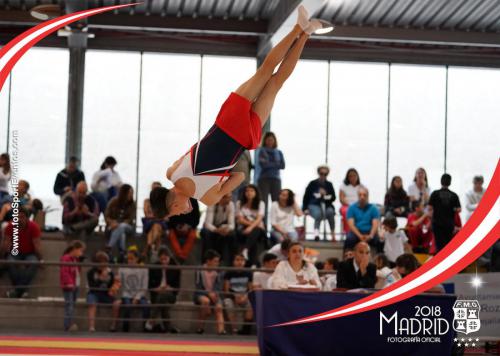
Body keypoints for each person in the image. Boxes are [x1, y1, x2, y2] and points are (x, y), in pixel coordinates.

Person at [149, 7, 330, 217]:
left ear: (173, 206)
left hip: (240, 139)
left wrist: (221, 175)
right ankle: (300, 28)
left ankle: (306, 33)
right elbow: (193, 151)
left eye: (176, 213)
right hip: (226, 123)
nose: (182, 213)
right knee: (266, 73)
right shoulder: (172, 172)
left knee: (275, 82)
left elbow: (241, 176)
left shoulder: (207, 197)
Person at [3, 206, 43, 298]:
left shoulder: (34, 227)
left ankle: (16, 292)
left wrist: (41, 259)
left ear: (27, 218)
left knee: (34, 263)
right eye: (17, 217)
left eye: (22, 217)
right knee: (10, 262)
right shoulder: (10, 226)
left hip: (30, 253)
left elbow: (37, 245)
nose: (19, 220)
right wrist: (2, 258)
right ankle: (21, 291)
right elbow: (5, 244)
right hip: (15, 252)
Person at [86, 251, 121, 332]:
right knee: (92, 303)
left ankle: (113, 326)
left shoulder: (110, 272)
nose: (105, 265)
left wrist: (116, 283)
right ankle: (91, 326)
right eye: (103, 262)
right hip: (94, 293)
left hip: (106, 294)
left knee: (117, 303)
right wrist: (101, 278)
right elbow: (92, 287)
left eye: (106, 262)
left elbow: (111, 286)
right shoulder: (91, 272)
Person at [148, 247, 181, 333]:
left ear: (169, 257)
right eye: (161, 260)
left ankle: (151, 319)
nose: (164, 262)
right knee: (163, 301)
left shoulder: (176, 268)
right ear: (159, 259)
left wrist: (170, 288)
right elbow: (150, 287)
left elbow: (177, 288)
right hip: (156, 294)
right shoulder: (154, 267)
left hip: (171, 295)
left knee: (163, 295)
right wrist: (157, 289)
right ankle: (168, 328)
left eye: (166, 259)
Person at [193, 249, 225, 335]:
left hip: (214, 294)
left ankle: (221, 330)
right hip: (201, 293)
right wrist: (208, 294)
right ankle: (200, 328)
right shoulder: (199, 270)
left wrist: (214, 294)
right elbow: (198, 287)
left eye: (218, 262)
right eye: (215, 261)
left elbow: (219, 286)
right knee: (205, 301)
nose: (217, 264)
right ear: (208, 261)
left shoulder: (219, 272)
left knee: (218, 307)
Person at [119, 249, 152, 332]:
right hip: (126, 294)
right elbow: (120, 284)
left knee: (146, 307)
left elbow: (144, 286)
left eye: (132, 258)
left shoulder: (143, 269)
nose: (129, 261)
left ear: (137, 259)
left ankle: (145, 329)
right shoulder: (122, 269)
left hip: (140, 294)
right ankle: (125, 330)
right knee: (127, 306)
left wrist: (137, 297)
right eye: (128, 258)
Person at [428, 174, 461, 252]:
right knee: (447, 246)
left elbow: (429, 208)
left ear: (441, 181)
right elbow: (459, 209)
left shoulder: (435, 193)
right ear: (450, 182)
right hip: (449, 224)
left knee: (439, 246)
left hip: (437, 223)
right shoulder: (454, 195)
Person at [235, 184, 267, 266]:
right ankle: (254, 264)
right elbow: (240, 219)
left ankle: (245, 249)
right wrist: (252, 226)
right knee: (254, 239)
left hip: (259, 230)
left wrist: (251, 227)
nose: (249, 193)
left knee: (256, 231)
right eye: (247, 191)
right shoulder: (239, 203)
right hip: (245, 228)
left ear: (256, 193)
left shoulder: (261, 203)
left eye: (252, 191)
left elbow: (259, 218)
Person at [303, 165, 336, 241]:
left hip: (326, 205)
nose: (323, 175)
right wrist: (305, 208)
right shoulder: (312, 183)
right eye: (322, 173)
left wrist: (325, 195)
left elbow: (333, 197)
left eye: (325, 174)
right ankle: (316, 234)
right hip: (313, 205)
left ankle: (332, 234)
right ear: (318, 173)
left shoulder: (329, 185)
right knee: (318, 213)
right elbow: (306, 197)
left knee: (331, 212)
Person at [201, 193, 235, 265]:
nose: (229, 199)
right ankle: (207, 259)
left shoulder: (231, 205)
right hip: (212, 229)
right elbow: (208, 223)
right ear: (221, 197)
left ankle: (226, 262)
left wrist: (226, 228)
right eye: (226, 197)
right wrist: (217, 230)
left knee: (232, 235)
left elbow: (232, 224)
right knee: (206, 233)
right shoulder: (212, 203)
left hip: (223, 229)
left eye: (230, 197)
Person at [223, 254, 253, 335]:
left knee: (251, 304)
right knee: (228, 303)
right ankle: (234, 330)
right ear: (233, 262)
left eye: (242, 260)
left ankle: (245, 330)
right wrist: (234, 296)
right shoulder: (229, 273)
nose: (240, 262)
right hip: (232, 296)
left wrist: (245, 297)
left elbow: (250, 290)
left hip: (244, 296)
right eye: (237, 260)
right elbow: (226, 290)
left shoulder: (248, 273)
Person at [257, 132, 285, 217]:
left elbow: (282, 165)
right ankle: (263, 225)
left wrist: (269, 163)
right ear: (265, 141)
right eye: (268, 140)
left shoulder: (279, 152)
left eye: (272, 140)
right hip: (264, 179)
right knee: (263, 202)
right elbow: (263, 165)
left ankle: (275, 224)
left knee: (276, 202)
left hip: (276, 179)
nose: (270, 141)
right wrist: (276, 164)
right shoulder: (262, 151)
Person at [104, 184, 136, 259]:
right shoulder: (113, 201)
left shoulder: (132, 204)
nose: (131, 195)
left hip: (128, 226)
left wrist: (118, 224)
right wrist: (112, 222)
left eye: (132, 193)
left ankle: (109, 246)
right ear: (124, 193)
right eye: (129, 193)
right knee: (122, 233)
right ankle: (122, 252)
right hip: (112, 225)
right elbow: (106, 215)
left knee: (121, 226)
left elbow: (130, 219)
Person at [60, 240, 85, 331]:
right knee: (69, 305)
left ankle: (69, 322)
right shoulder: (66, 258)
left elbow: (77, 271)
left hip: (75, 284)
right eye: (80, 250)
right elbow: (65, 272)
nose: (81, 253)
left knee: (72, 305)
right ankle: (68, 324)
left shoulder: (76, 259)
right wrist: (69, 282)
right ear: (74, 249)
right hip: (69, 285)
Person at [345, 187, 381, 252]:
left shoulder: (374, 208)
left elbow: (375, 225)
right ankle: (347, 260)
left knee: (379, 241)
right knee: (349, 239)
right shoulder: (351, 208)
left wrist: (370, 236)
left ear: (368, 196)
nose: (362, 197)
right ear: (357, 196)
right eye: (360, 195)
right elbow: (351, 225)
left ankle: (380, 261)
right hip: (356, 233)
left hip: (370, 232)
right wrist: (360, 236)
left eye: (364, 195)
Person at [167, 198, 200, 263]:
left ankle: (181, 257)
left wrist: (188, 226)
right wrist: (176, 226)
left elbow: (196, 219)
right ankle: (181, 256)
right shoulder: (174, 199)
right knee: (171, 235)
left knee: (192, 236)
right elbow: (170, 217)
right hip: (176, 228)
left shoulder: (193, 201)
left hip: (189, 228)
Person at [142, 182, 168, 263]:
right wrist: (159, 216)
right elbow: (147, 214)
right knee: (156, 227)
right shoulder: (147, 201)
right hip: (150, 223)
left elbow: (167, 217)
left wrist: (156, 216)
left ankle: (148, 247)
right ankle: (156, 252)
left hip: (160, 224)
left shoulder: (165, 202)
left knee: (156, 226)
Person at [339, 168, 363, 234]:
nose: (352, 178)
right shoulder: (343, 186)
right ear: (347, 177)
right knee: (347, 212)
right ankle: (348, 232)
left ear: (357, 176)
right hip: (346, 206)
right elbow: (341, 199)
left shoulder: (361, 186)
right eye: (350, 176)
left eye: (354, 176)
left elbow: (363, 198)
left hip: (358, 206)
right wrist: (349, 205)